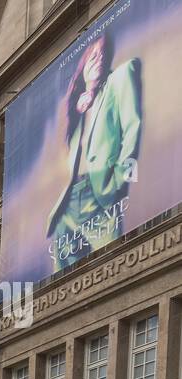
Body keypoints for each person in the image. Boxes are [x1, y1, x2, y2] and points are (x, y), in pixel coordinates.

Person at [46, 32, 141, 274]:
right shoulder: (76, 109)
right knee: (62, 289)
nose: (98, 59)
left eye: (103, 54)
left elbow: (133, 129)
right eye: (92, 56)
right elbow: (59, 155)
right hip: (68, 206)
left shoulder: (120, 76)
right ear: (82, 69)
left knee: (116, 271)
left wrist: (122, 180)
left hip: (100, 194)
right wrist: (78, 109)